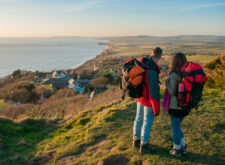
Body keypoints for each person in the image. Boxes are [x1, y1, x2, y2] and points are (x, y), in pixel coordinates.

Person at [133, 47, 162, 154]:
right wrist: (156, 109)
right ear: (159, 57)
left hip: (139, 97)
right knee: (147, 122)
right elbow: (153, 92)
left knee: (138, 118)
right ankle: (144, 146)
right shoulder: (152, 69)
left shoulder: (142, 63)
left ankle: (136, 140)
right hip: (148, 100)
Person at [165, 52, 190, 157]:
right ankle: (183, 147)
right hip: (186, 106)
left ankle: (177, 149)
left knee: (175, 128)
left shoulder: (175, 75)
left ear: (174, 62)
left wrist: (167, 80)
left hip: (175, 107)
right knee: (178, 127)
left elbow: (171, 91)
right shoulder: (187, 74)